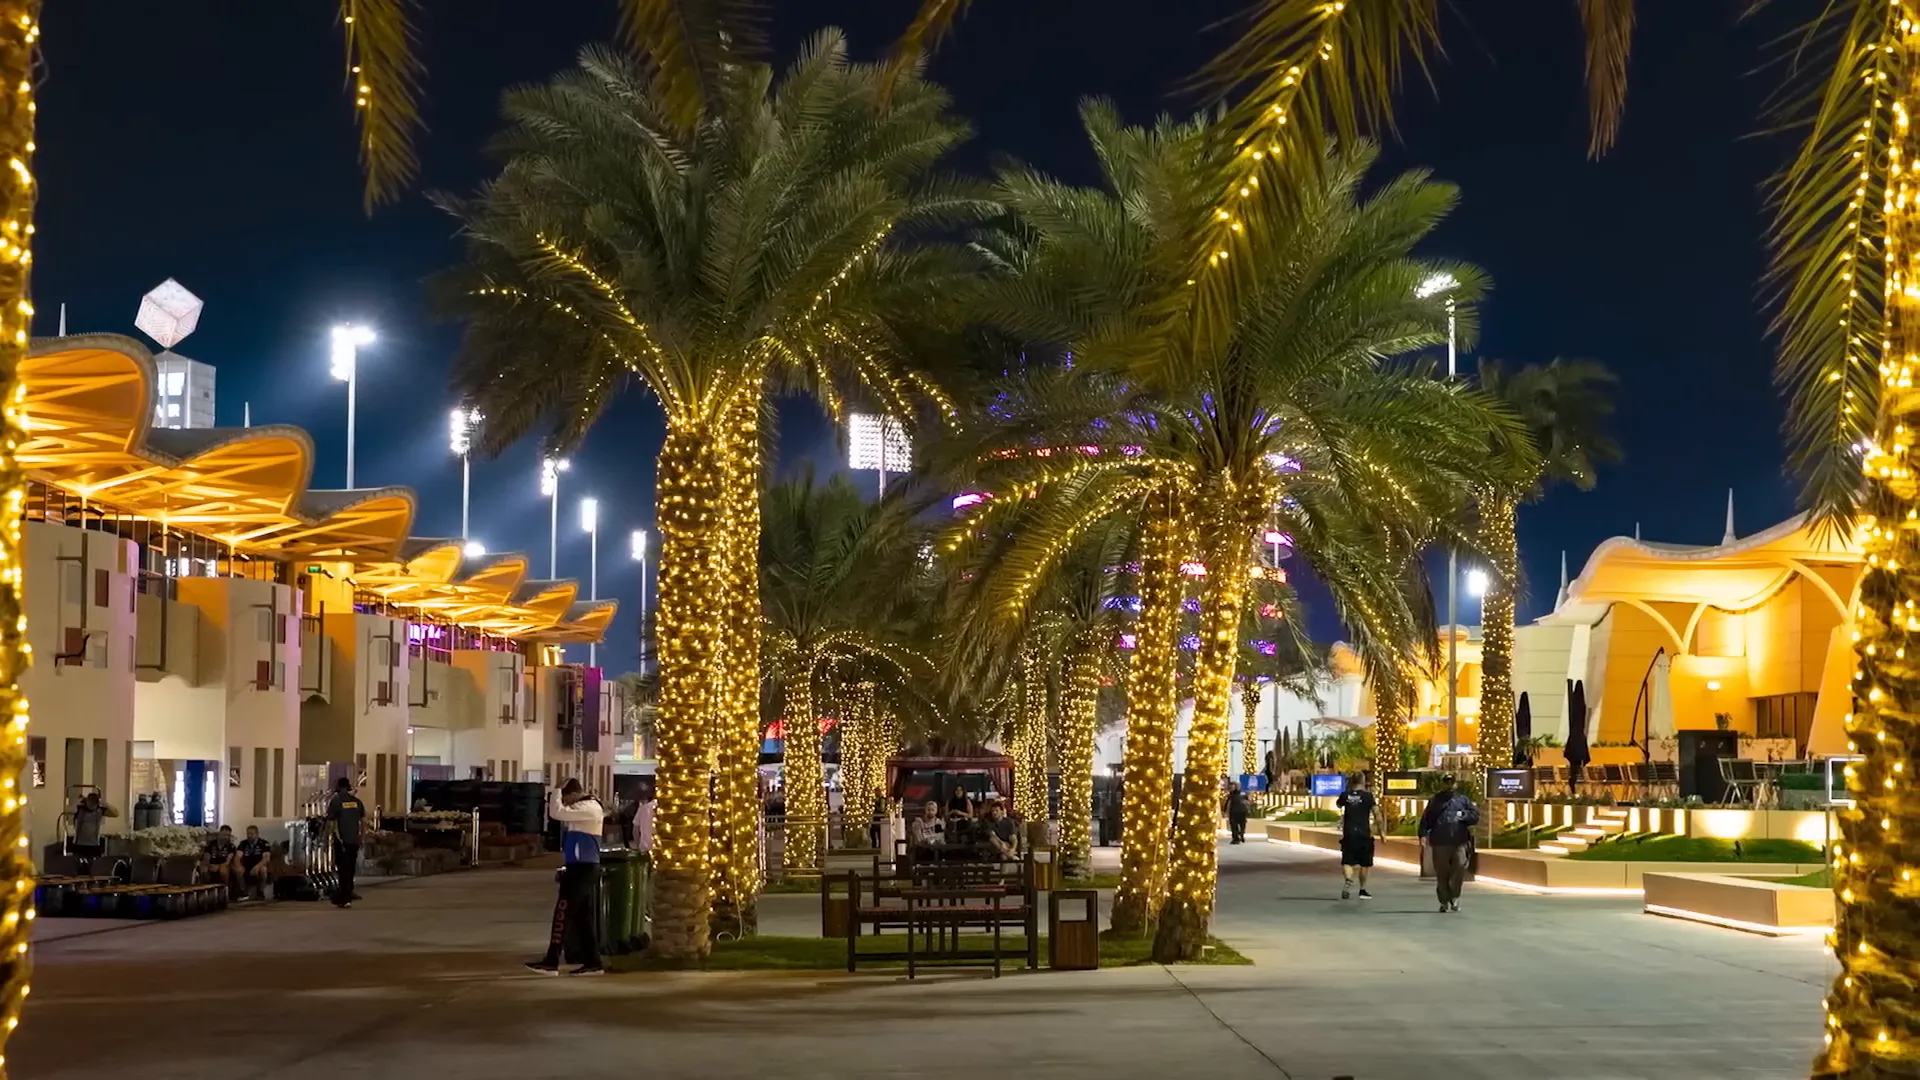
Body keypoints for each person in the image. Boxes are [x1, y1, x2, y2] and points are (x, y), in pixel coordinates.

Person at [528, 779, 606, 976]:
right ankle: (593, 962)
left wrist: (556, 791)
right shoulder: (585, 807)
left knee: (563, 912)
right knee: (582, 918)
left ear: (572, 795)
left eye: (566, 799)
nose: (566, 803)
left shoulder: (589, 808)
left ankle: (551, 961)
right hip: (579, 866)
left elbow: (556, 813)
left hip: (582, 868)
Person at [1418, 775, 1480, 913]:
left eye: (1451, 783)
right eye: (1446, 783)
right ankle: (1444, 901)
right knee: (1442, 873)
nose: (1449, 785)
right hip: (1440, 842)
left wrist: (1462, 815)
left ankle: (1454, 895)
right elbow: (1426, 819)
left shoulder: (1462, 800)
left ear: (1455, 784)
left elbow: (1474, 816)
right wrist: (1422, 834)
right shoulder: (1435, 801)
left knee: (1460, 867)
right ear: (1443, 784)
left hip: (1459, 842)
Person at [1335, 775, 1381, 900]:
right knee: (1365, 863)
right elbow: (1377, 814)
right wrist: (1381, 833)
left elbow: (1338, 805)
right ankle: (1363, 890)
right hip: (1364, 834)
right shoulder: (1368, 796)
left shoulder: (1345, 795)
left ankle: (1349, 879)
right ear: (1363, 781)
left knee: (1347, 861)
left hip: (1349, 834)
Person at [325, 777, 366, 909]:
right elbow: (362, 821)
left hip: (341, 840)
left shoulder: (336, 801)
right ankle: (348, 892)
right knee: (351, 867)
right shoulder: (356, 801)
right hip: (354, 840)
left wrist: (326, 839)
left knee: (343, 869)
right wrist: (362, 837)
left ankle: (343, 896)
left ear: (338, 786)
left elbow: (331, 822)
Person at [70, 791, 116, 873]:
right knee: (78, 870)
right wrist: (77, 801)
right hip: (79, 844)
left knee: (94, 871)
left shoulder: (100, 810)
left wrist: (105, 803)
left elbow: (116, 813)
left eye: (93, 805)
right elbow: (69, 811)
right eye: (90, 804)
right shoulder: (80, 809)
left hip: (94, 845)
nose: (92, 807)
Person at [236, 825, 272, 901]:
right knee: (238, 870)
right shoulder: (243, 843)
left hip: (258, 865)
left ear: (257, 834)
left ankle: (260, 892)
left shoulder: (264, 843)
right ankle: (243, 892)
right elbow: (238, 856)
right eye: (248, 834)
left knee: (263, 870)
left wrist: (257, 867)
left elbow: (266, 858)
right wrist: (239, 866)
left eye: (251, 834)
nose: (249, 836)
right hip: (246, 866)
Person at [202, 825, 239, 889]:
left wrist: (218, 866)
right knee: (203, 868)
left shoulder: (231, 846)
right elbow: (206, 858)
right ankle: (207, 890)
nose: (226, 837)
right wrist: (210, 865)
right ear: (220, 833)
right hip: (211, 864)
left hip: (223, 865)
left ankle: (225, 890)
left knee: (223, 869)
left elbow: (228, 861)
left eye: (228, 835)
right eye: (224, 835)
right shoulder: (211, 844)